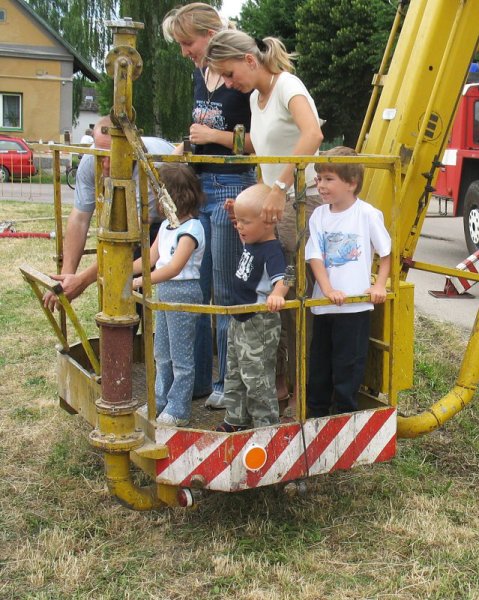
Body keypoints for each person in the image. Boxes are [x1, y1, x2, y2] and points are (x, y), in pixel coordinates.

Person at [205, 30, 324, 414]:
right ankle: (278, 385)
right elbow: (268, 155)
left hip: (300, 200)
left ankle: (297, 394)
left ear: (250, 60)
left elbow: (313, 134)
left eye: (228, 72)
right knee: (268, 297)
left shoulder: (288, 85)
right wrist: (247, 207)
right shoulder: (257, 99)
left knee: (288, 298)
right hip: (276, 202)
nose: (227, 82)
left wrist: (277, 188)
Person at [162, 3, 256, 408]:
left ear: (211, 32)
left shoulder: (245, 75)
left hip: (231, 185)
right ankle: (194, 380)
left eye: (188, 42)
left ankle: (222, 385)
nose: (185, 51)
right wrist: (187, 146)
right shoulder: (201, 72)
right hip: (198, 185)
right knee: (190, 288)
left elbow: (262, 141)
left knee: (222, 291)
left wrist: (216, 138)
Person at [43, 116, 174, 309]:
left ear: (130, 148)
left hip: (172, 222)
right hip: (138, 225)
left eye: (112, 156)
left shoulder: (152, 165)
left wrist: (82, 280)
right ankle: (125, 334)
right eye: (100, 154)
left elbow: (130, 240)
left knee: (169, 293)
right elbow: (79, 219)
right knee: (121, 295)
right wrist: (66, 277)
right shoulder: (90, 161)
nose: (103, 164)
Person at [305, 147, 391, 418]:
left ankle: (345, 420)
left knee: (348, 367)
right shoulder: (318, 215)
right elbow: (315, 256)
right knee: (319, 367)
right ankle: (317, 417)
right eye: (319, 179)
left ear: (351, 183)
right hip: (325, 305)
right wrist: (327, 289)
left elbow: (386, 252)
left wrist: (379, 286)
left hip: (354, 308)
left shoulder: (367, 214)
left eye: (328, 179)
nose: (321, 185)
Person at [132, 163, 205, 427]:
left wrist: (140, 281)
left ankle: (178, 408)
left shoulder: (192, 229)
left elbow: (174, 267)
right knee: (162, 352)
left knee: (182, 356)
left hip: (183, 292)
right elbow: (151, 258)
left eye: (159, 194)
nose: (155, 201)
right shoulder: (166, 227)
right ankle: (160, 399)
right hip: (164, 291)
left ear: (173, 198)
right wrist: (122, 270)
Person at [215, 184, 290, 432]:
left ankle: (266, 427)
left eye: (244, 222)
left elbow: (288, 276)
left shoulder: (271, 250)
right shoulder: (252, 239)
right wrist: (237, 212)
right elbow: (244, 225)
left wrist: (278, 294)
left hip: (259, 322)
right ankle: (235, 419)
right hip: (239, 318)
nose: (239, 227)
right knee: (234, 373)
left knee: (256, 377)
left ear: (268, 222)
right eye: (238, 221)